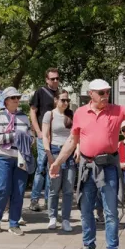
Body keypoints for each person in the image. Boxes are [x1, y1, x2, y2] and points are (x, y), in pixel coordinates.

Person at [50, 79, 125, 249]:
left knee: (110, 210)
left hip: (108, 166)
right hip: (87, 167)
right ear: (91, 94)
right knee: (86, 208)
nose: (105, 95)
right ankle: (89, 245)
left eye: (107, 92)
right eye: (101, 92)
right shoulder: (80, 113)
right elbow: (72, 141)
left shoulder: (116, 110)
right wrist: (57, 163)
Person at [0, 87, 34, 236]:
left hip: (20, 157)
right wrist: (17, 135)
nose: (16, 100)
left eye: (18, 98)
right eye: (13, 98)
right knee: (3, 188)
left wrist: (26, 138)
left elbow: (30, 137)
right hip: (1, 156)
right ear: (6, 101)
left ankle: (14, 223)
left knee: (19, 191)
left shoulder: (24, 117)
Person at [42, 89, 76, 232]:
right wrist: (48, 153)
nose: (66, 103)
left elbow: (77, 135)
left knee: (68, 189)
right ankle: (52, 217)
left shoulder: (71, 115)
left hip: (69, 153)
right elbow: (45, 136)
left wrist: (78, 149)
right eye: (63, 100)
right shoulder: (49, 114)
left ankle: (66, 219)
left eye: (67, 100)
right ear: (56, 100)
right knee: (54, 188)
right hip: (55, 151)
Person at [28, 68, 61, 212]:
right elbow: (33, 111)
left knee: (52, 168)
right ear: (47, 80)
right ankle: (34, 199)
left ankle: (49, 200)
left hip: (57, 138)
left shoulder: (61, 94)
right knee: (41, 167)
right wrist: (38, 132)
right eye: (52, 78)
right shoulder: (40, 92)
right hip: (44, 136)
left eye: (57, 78)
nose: (55, 81)